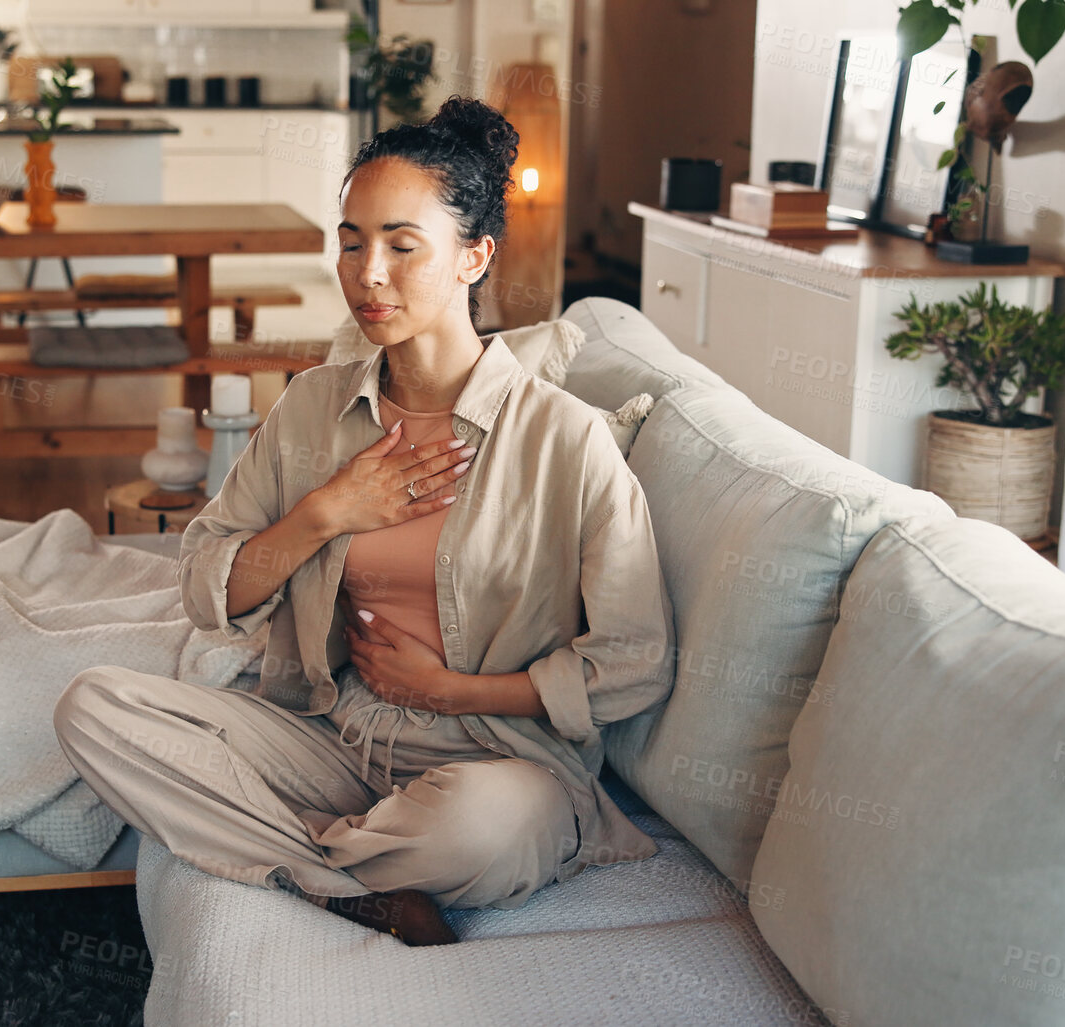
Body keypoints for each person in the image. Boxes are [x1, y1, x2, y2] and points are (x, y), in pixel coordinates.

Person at [54, 95, 675, 946]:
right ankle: (347, 884)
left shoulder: (562, 439)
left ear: (474, 257)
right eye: (350, 243)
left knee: (490, 827)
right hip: (335, 736)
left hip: (495, 760)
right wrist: (324, 512)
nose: (367, 274)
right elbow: (204, 586)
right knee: (94, 706)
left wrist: (453, 691)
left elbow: (635, 660)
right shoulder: (312, 408)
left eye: (400, 246)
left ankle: (298, 853)